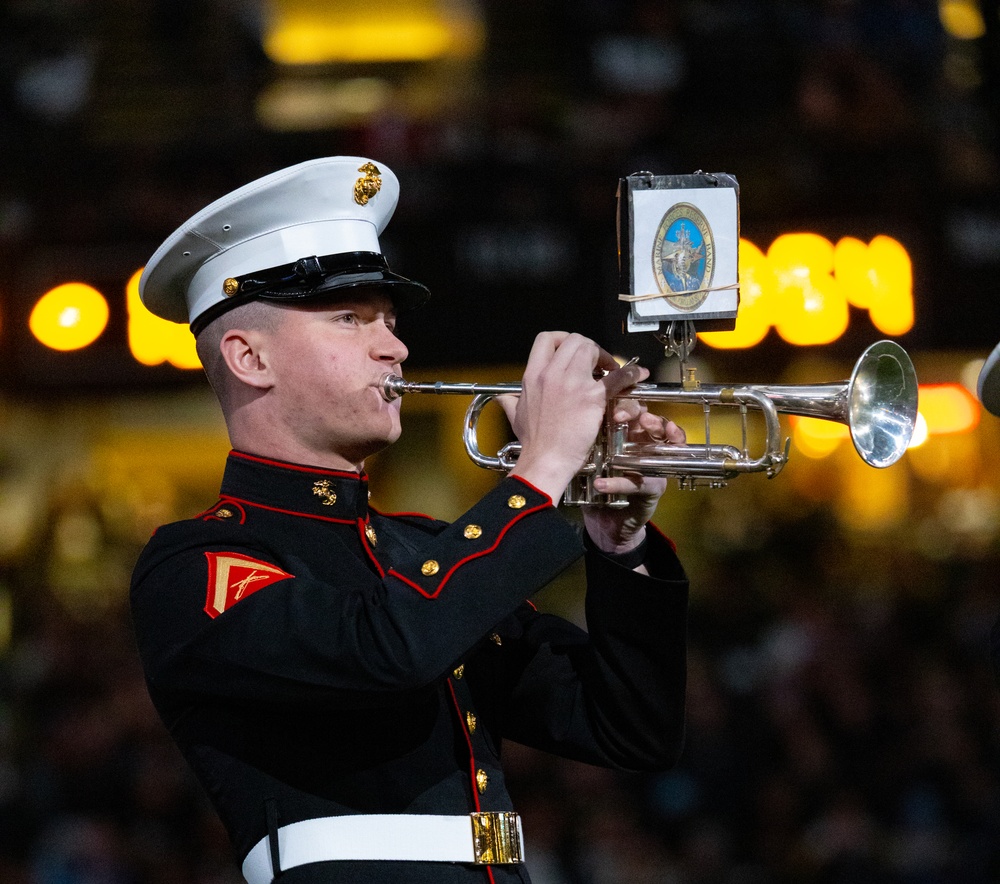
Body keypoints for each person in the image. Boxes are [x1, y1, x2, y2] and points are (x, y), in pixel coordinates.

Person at [129, 156, 689, 884]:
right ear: (248, 357)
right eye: (349, 318)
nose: (393, 345)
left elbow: (629, 728)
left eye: (389, 319)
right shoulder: (196, 564)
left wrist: (618, 540)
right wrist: (542, 473)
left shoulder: (422, 549)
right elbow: (390, 648)